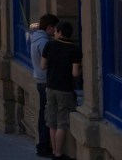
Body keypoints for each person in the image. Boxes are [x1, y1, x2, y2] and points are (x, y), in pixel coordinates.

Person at [41, 21, 82, 160]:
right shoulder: (74, 49)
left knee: (52, 121)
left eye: (56, 31)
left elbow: (43, 65)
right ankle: (59, 153)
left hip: (50, 86)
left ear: (59, 32)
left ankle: (54, 152)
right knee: (62, 122)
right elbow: (75, 73)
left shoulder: (49, 45)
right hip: (65, 89)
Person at [31, 13, 60, 158]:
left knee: (43, 114)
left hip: (39, 80)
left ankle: (42, 144)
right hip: (45, 81)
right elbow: (46, 63)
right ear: (49, 27)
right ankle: (43, 146)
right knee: (47, 116)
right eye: (54, 29)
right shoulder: (44, 42)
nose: (55, 32)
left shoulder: (36, 39)